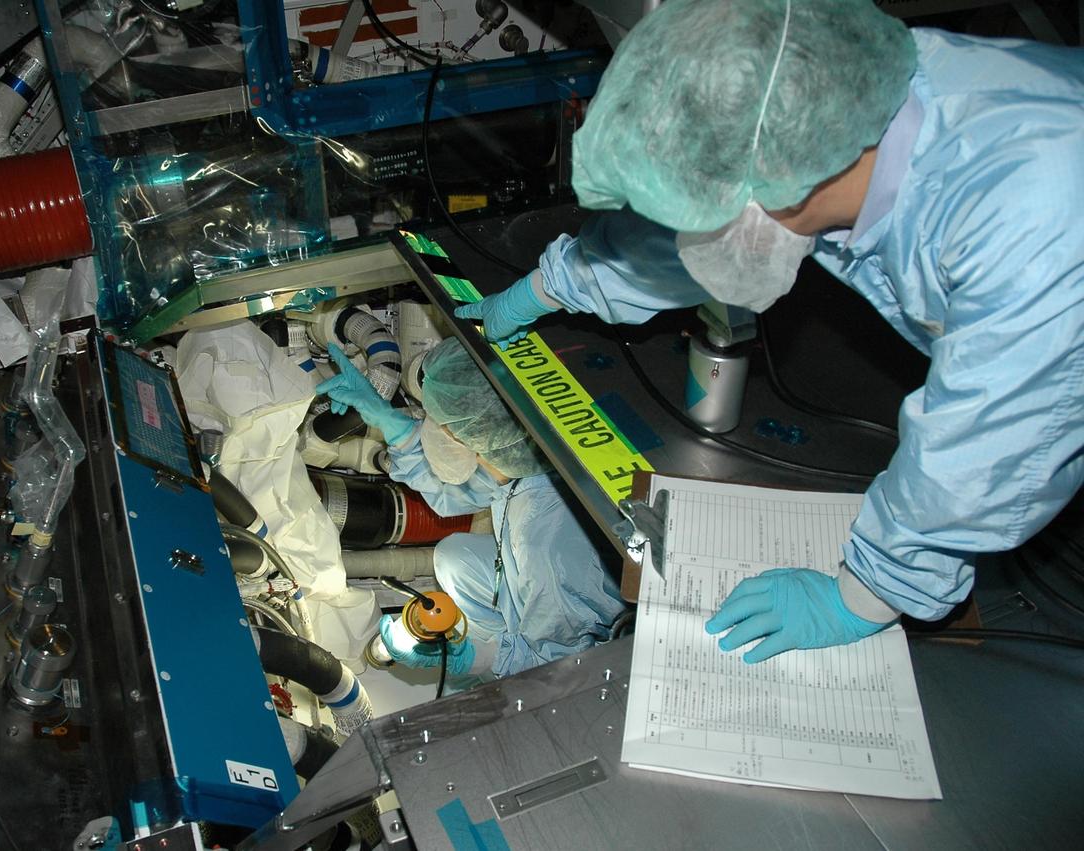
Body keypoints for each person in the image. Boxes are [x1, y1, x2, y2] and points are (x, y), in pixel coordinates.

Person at [456, 0, 1084, 663]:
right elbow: (678, 238)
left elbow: (987, 449)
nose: (697, 232)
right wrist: (546, 286)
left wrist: (864, 593)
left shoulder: (1035, 221)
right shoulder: (834, 107)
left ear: (778, 193)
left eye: (707, 210)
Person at [316, 337, 625, 678]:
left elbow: (557, 660)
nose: (426, 426)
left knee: (523, 654)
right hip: (542, 579)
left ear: (473, 439)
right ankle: (508, 634)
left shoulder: (546, 548)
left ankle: (504, 656)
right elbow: (458, 491)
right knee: (453, 558)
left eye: (439, 423)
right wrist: (388, 420)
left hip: (567, 617)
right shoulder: (523, 458)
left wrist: (471, 659)